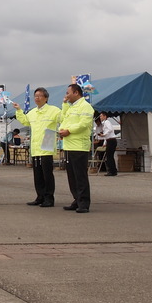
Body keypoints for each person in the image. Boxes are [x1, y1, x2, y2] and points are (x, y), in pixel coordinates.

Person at [14, 87, 63, 207]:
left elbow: (63, 118)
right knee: (38, 174)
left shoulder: (54, 110)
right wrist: (19, 110)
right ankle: (40, 196)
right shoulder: (32, 112)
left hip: (47, 144)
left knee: (47, 174)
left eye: (40, 96)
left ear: (46, 98)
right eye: (36, 96)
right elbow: (25, 121)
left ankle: (49, 198)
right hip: (35, 146)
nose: (37, 98)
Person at [59, 84, 95, 213]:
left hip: (79, 147)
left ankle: (84, 202)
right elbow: (63, 120)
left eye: (68, 93)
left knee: (80, 176)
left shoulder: (85, 106)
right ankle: (77, 199)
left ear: (76, 93)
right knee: (72, 176)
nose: (66, 95)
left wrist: (69, 131)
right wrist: (61, 131)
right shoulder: (71, 107)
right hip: (69, 145)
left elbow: (84, 124)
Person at [95, 112, 118, 177]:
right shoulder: (104, 124)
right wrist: (105, 142)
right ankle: (112, 170)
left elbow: (110, 129)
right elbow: (106, 135)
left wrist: (104, 134)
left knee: (109, 156)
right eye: (100, 116)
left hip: (111, 140)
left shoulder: (107, 122)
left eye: (101, 116)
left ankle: (112, 171)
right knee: (109, 156)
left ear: (105, 116)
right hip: (108, 140)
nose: (100, 117)